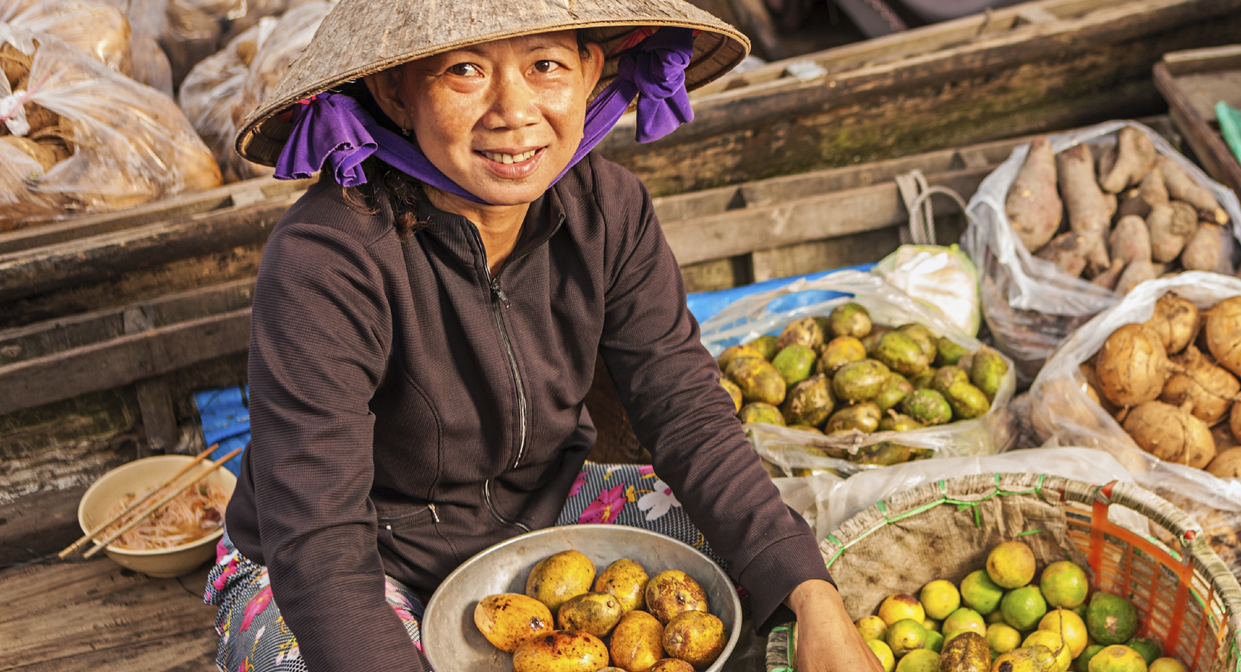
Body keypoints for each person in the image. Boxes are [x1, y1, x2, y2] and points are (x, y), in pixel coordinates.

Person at [201, 1, 878, 670]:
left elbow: (689, 416)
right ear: (395, 92)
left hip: (546, 512)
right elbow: (320, 543)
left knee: (762, 568)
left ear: (590, 70)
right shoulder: (327, 259)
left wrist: (813, 599)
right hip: (362, 558)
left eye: (545, 65)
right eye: (465, 70)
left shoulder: (610, 211)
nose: (514, 111)